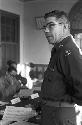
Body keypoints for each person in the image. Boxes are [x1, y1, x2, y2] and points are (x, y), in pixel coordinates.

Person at [41, 10, 82, 125]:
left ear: (65, 27)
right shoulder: (59, 49)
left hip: (59, 114)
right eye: (45, 27)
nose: (46, 30)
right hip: (52, 112)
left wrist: (66, 103)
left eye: (51, 25)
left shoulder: (68, 51)